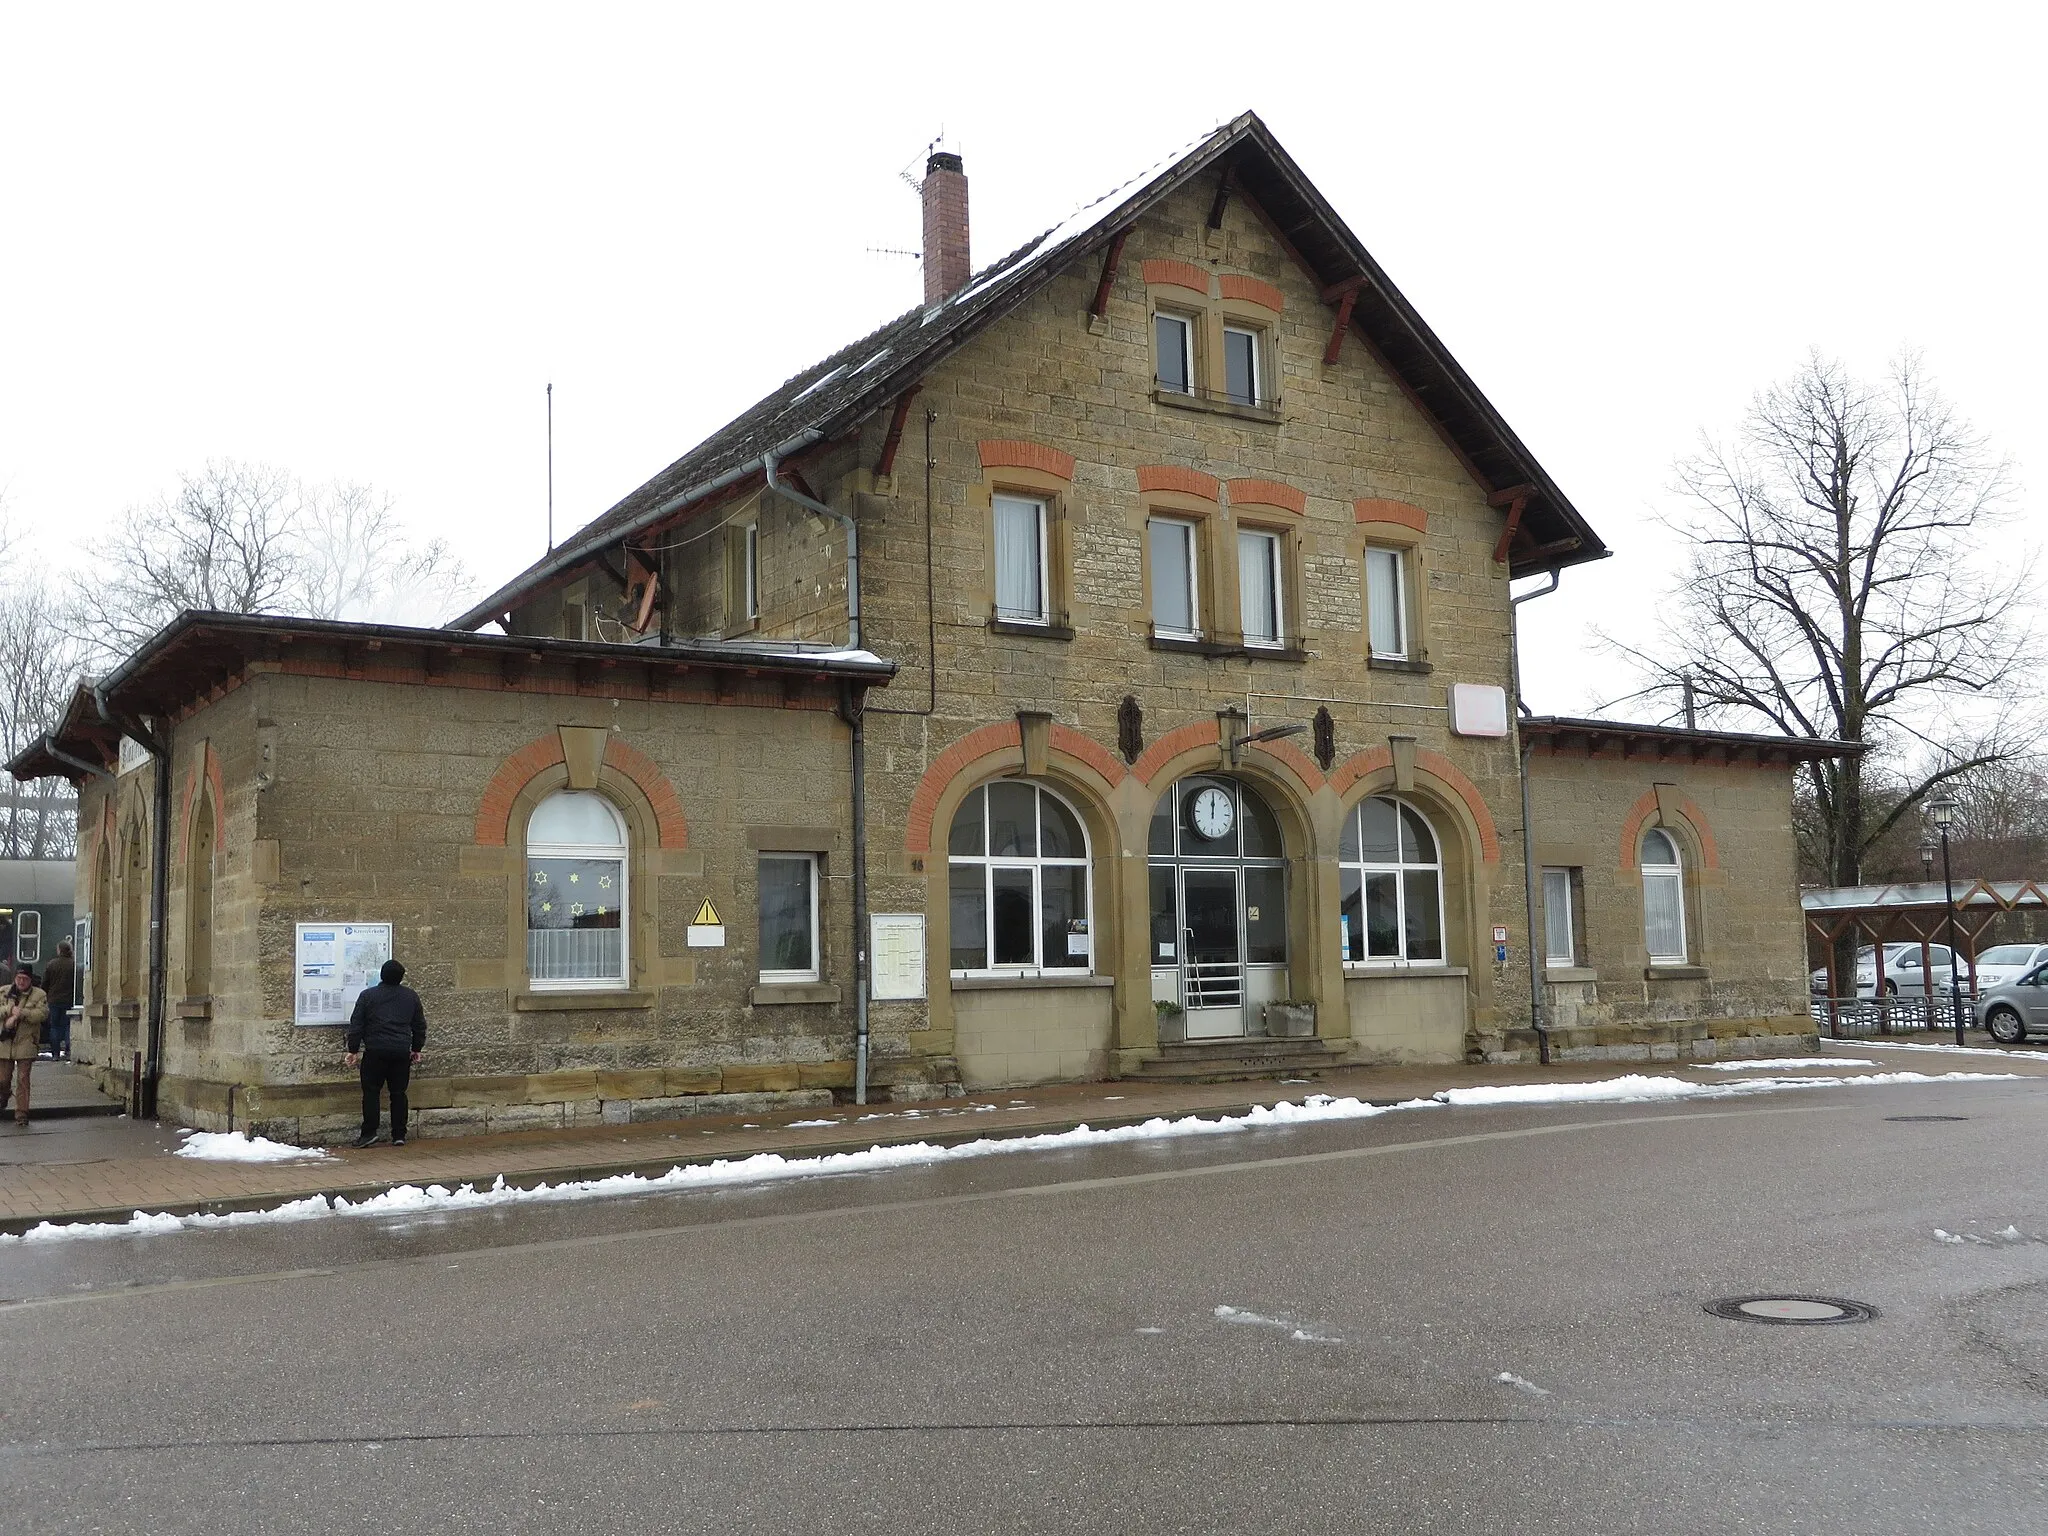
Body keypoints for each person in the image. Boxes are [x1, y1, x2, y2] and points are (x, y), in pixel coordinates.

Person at [344, 959, 426, 1148]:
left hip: (375, 1051)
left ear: (381, 975)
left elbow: (357, 1024)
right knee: (398, 1093)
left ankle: (369, 1133)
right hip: (400, 1052)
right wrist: (416, 1049)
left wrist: (353, 1050)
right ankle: (399, 1134)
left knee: (371, 1093)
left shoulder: (368, 996)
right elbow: (419, 1025)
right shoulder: (410, 996)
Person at [0, 964, 49, 1126]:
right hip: (5, 1042)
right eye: (19, 978)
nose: (21, 982)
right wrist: (9, 1010)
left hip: (27, 1041)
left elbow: (42, 1014)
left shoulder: (39, 995)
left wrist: (23, 1013)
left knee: (23, 1079)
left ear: (30, 980)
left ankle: (21, 1114)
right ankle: (3, 1096)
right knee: (3, 1079)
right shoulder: (4, 992)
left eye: (25, 979)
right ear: (15, 978)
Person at [40, 940, 75, 1061]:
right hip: (69, 1000)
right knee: (67, 1026)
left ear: (59, 950)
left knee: (54, 1026)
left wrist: (44, 995)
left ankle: (55, 1054)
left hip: (53, 1000)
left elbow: (45, 982)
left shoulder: (51, 964)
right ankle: (68, 1051)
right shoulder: (73, 964)